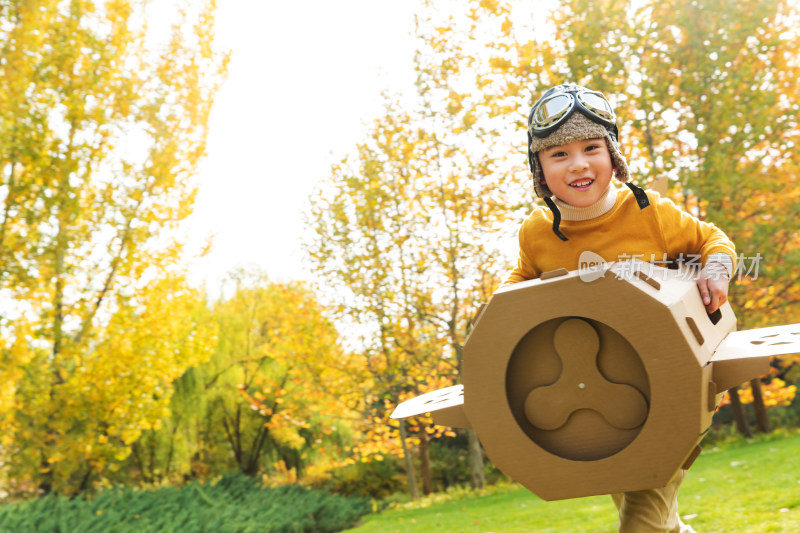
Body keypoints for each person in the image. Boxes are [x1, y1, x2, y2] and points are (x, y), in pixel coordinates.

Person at [504, 83, 736, 533]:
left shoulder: (649, 211)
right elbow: (521, 279)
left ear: (613, 155)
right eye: (558, 155)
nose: (578, 164)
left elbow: (713, 240)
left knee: (641, 519)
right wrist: (498, 312)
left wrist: (718, 269)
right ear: (540, 169)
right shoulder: (536, 231)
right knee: (650, 510)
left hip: (677, 386)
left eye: (592, 147)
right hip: (597, 391)